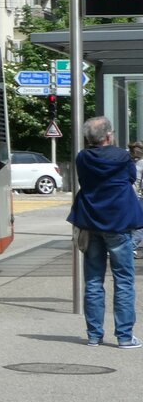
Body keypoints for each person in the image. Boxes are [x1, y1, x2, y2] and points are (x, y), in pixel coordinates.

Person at [68, 115, 143, 348]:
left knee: (92, 279)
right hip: (119, 223)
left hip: (90, 222)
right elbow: (132, 177)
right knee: (123, 279)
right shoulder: (122, 156)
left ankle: (94, 335)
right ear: (109, 136)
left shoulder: (83, 158)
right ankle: (123, 336)